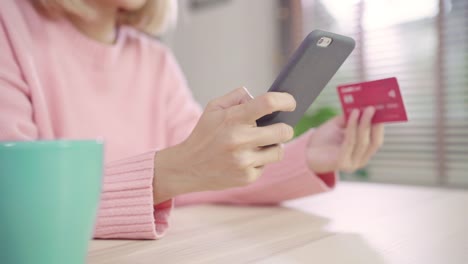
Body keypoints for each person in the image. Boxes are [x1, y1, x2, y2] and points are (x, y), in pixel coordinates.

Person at [0, 0, 384, 239]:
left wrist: (309, 155)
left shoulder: (154, 60)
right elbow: (13, 205)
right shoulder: (8, 26)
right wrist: (170, 173)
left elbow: (208, 175)